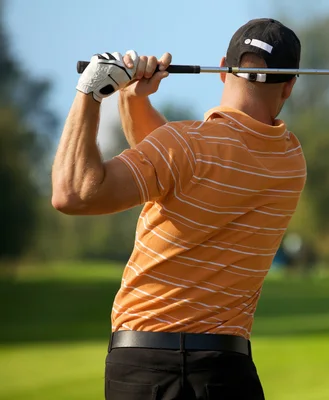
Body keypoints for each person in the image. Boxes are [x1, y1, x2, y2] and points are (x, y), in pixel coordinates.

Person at [51, 18, 305, 399]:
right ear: (289, 85)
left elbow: (73, 193)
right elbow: (175, 172)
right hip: (225, 369)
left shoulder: (182, 146)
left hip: (141, 364)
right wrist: (134, 99)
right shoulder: (290, 162)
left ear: (223, 68)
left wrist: (90, 91)